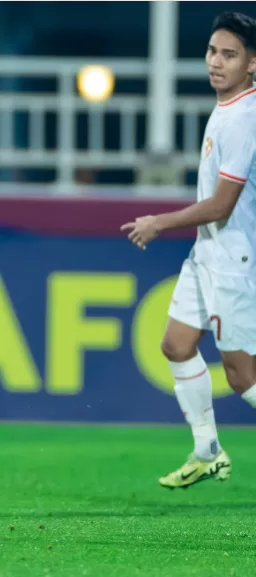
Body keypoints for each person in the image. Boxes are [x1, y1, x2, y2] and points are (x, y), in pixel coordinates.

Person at [122, 11, 256, 489]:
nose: (216, 62)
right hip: (208, 254)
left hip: (235, 262)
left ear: (253, 63)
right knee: (175, 345)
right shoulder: (228, 107)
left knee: (243, 379)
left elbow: (221, 205)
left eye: (230, 54)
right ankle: (207, 451)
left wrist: (159, 221)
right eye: (213, 52)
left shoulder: (244, 117)